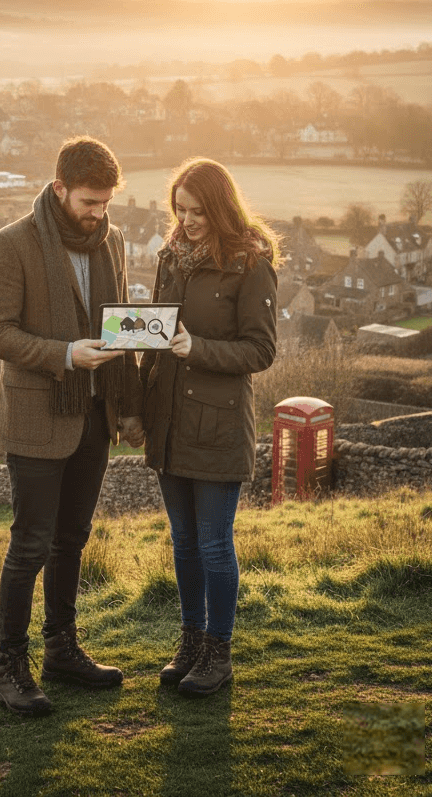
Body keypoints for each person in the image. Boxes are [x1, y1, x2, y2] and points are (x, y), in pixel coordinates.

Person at [0, 136, 144, 716]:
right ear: (59, 190)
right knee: (30, 547)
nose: (98, 214)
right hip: (35, 419)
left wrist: (146, 341)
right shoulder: (11, 243)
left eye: (105, 204)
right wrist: (66, 353)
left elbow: (117, 320)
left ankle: (61, 651)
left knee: (72, 541)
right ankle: (10, 670)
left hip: (94, 417)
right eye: (89, 202)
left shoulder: (113, 242)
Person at [140, 158, 278, 696]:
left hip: (218, 424)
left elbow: (261, 350)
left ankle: (218, 654)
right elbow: (154, 331)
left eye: (197, 211)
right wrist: (134, 401)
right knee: (182, 543)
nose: (187, 220)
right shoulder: (169, 258)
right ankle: (191, 642)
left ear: (220, 208)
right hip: (169, 420)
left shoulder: (250, 264)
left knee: (214, 545)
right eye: (180, 209)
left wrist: (198, 348)